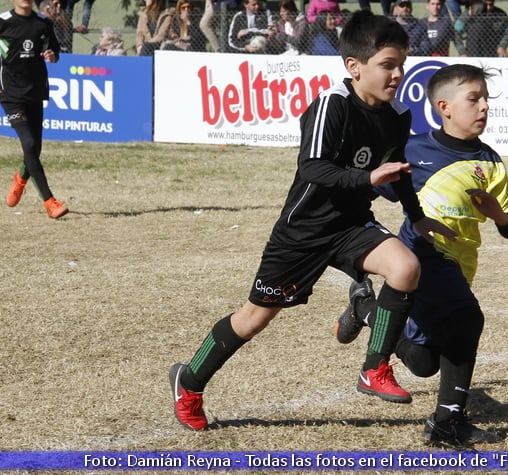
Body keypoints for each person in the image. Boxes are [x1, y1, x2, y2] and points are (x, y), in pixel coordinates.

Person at [169, 9, 457, 432]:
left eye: (401, 64)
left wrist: (417, 218)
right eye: (387, 65)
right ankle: (189, 382)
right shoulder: (332, 105)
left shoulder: (397, 116)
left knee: (405, 267)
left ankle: (373, 368)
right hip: (303, 232)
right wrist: (367, 177)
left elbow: (396, 172)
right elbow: (312, 168)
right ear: (354, 67)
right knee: (253, 318)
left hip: (352, 226)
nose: (397, 74)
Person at [335, 64, 508, 446]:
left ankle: (366, 309)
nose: (484, 107)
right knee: (468, 318)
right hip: (422, 256)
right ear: (445, 106)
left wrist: (498, 214)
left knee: (423, 364)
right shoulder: (413, 149)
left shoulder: (490, 162)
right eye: (474, 99)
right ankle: (447, 422)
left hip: (460, 266)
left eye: (486, 99)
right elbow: (373, 188)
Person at [0, 0, 68, 219]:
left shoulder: (43, 22)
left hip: (35, 92)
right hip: (10, 95)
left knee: (34, 149)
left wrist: (52, 56)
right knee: (28, 143)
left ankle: (21, 178)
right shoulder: (1, 21)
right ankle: (50, 202)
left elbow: (55, 51)